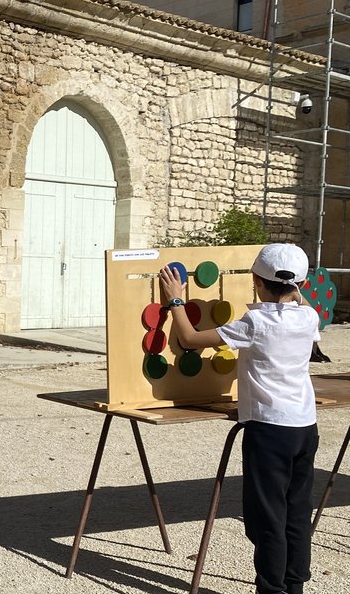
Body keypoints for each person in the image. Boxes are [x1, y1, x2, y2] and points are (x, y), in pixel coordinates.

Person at [158, 243, 320, 594]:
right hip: (305, 427)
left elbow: (188, 339)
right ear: (301, 286)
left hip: (269, 430)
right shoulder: (309, 318)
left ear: (254, 281)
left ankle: (270, 589)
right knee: (296, 513)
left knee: (267, 518)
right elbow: (295, 303)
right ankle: (294, 586)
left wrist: (175, 299)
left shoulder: (255, 322)